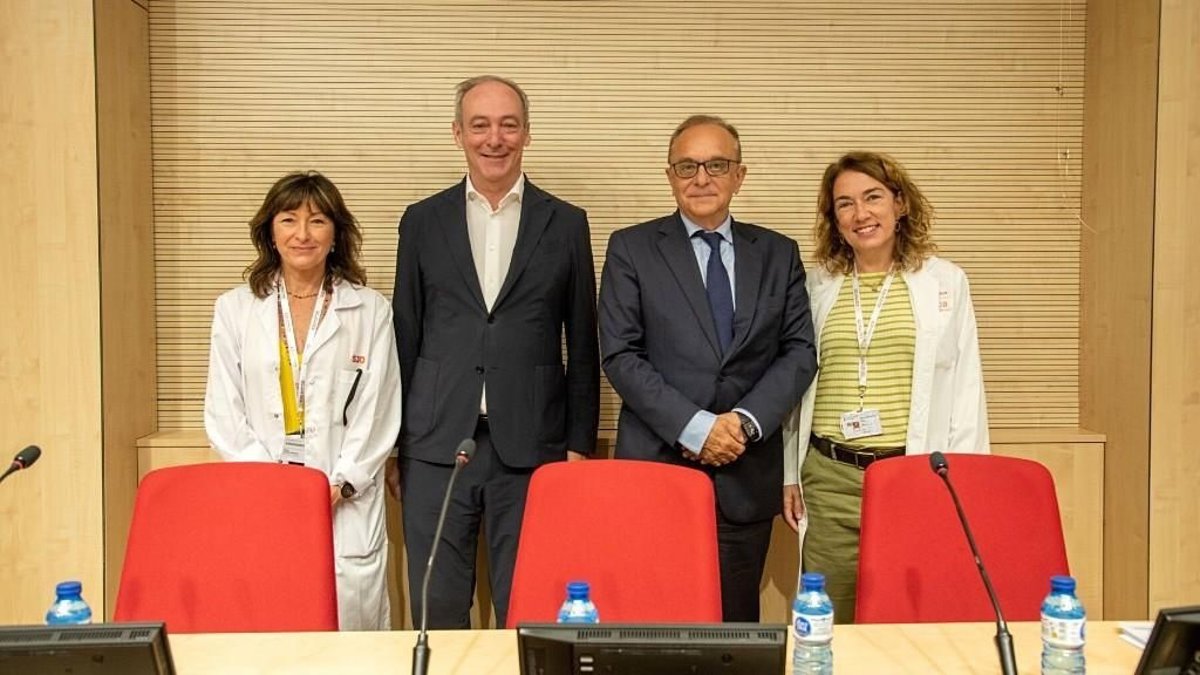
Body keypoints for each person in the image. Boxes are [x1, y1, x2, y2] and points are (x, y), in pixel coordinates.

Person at [390, 75, 600, 629]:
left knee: (529, 607)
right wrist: (395, 445)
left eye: (509, 125)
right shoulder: (421, 220)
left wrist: (579, 445)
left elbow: (583, 341)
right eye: (479, 125)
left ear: (527, 133)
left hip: (534, 448)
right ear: (457, 133)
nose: (494, 138)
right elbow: (404, 335)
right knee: (437, 608)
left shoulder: (566, 222)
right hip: (435, 445)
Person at [598, 115, 817, 622]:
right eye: (687, 166)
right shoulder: (631, 248)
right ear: (669, 175)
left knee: (735, 627)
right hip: (657, 468)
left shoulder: (778, 253)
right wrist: (696, 428)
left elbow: (799, 351)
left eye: (716, 165)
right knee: (652, 622)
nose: (701, 178)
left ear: (739, 175)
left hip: (745, 469)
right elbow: (621, 354)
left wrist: (742, 423)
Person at [782, 151, 990, 622]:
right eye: (845, 204)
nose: (861, 213)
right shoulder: (816, 285)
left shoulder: (944, 282)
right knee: (827, 615)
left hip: (911, 474)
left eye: (873, 197)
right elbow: (795, 385)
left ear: (900, 204)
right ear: (834, 220)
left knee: (905, 615)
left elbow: (966, 388)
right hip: (830, 476)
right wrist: (788, 474)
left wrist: (962, 481)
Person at [204, 171, 402, 631]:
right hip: (263, 498)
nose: (302, 234)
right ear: (270, 232)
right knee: (271, 631)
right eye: (289, 219)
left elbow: (378, 407)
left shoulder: (369, 309)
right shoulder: (234, 309)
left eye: (317, 221)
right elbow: (224, 411)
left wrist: (340, 483)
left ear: (335, 234)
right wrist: (275, 489)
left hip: (344, 500)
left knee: (350, 636)